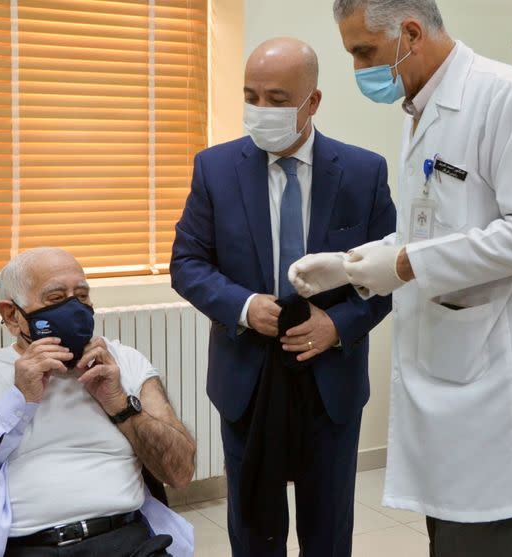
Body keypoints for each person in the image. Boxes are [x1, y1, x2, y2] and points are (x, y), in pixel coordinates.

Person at [290, 1, 512, 556]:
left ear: (412, 33)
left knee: (478, 541)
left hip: (494, 394)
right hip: (449, 386)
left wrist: (402, 265)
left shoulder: (505, 96)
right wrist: (352, 264)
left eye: (364, 52)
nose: (358, 69)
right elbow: (432, 229)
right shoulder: (423, 108)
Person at [170, 37, 396, 557]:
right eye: (251, 96)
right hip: (247, 376)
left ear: (312, 102)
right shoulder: (215, 169)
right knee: (254, 527)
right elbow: (187, 264)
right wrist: (245, 308)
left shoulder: (363, 173)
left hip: (329, 380)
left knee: (328, 528)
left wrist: (337, 325)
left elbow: (389, 275)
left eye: (277, 98)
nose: (261, 110)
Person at [0, 247, 196, 557]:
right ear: (12, 315)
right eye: (56, 299)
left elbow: (180, 471)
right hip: (28, 546)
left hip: (126, 540)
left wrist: (118, 403)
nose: (75, 309)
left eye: (82, 295)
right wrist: (17, 403)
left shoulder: (123, 362)